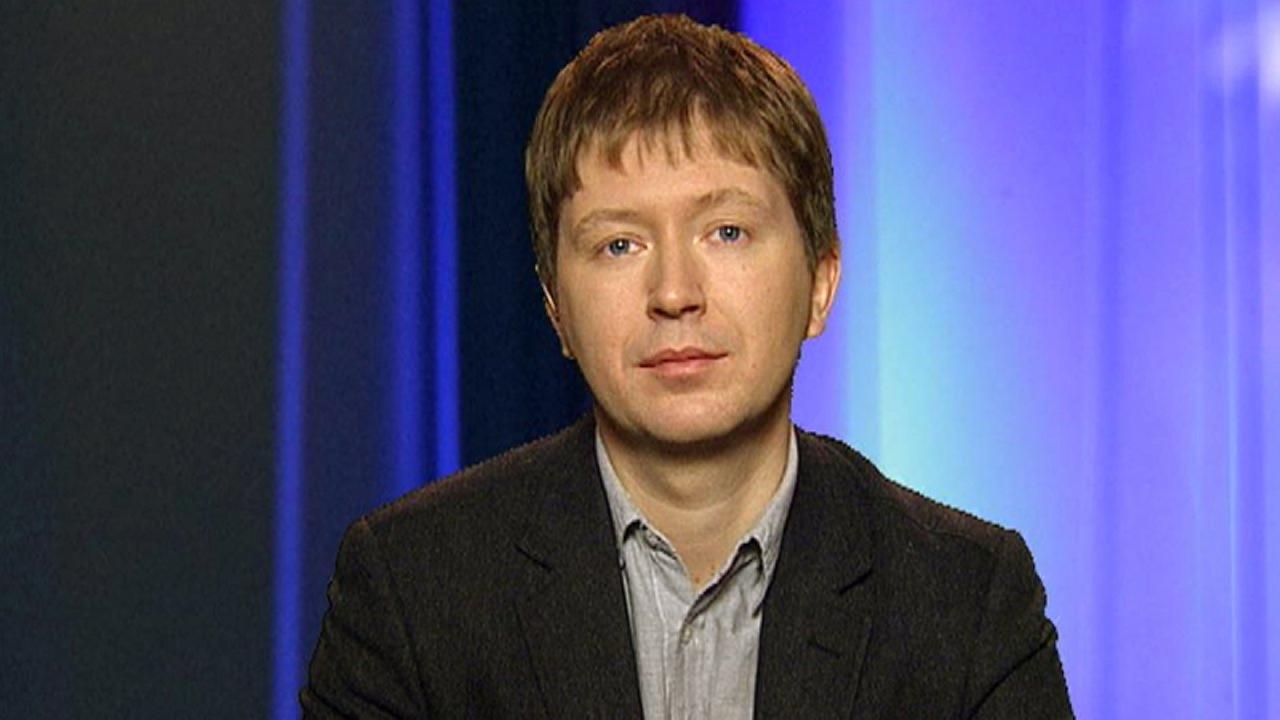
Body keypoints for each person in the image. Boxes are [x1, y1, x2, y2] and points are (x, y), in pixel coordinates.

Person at [302, 14, 1073, 719]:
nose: (674, 293)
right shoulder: (411, 591)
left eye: (727, 232)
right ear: (555, 308)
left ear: (820, 281)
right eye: (619, 245)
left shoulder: (967, 601)